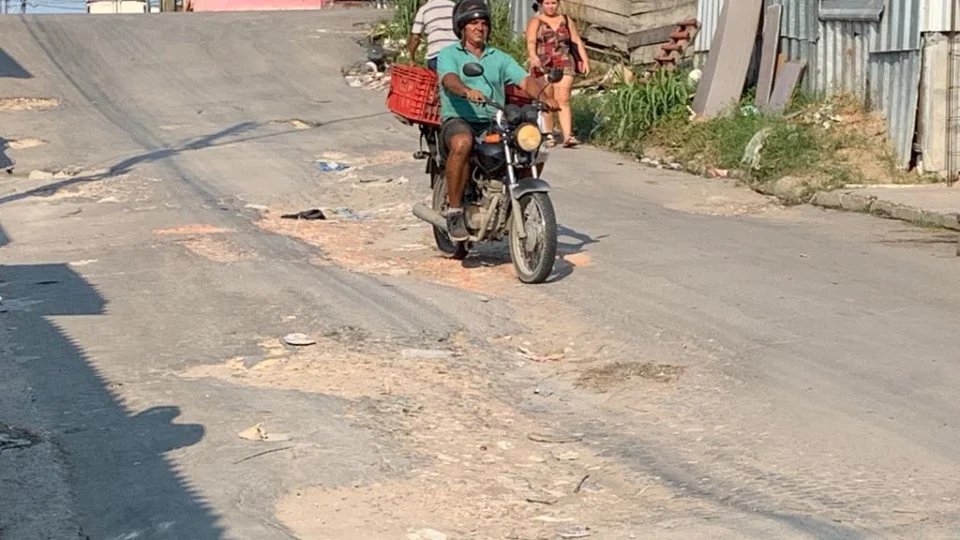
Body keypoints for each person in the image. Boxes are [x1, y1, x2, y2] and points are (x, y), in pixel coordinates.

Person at [525, 0, 589, 148]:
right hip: (543, 64)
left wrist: (584, 60)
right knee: (547, 100)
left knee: (563, 99)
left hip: (564, 62)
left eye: (554, 2)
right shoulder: (536, 21)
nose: (551, 6)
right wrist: (533, 57)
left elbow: (576, 41)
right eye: (547, 3)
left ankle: (568, 136)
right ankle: (548, 135)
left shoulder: (565, 20)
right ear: (541, 4)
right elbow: (531, 41)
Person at [408, 0, 458, 71]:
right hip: (456, 52)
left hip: (436, 53)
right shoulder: (454, 6)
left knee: (438, 80)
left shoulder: (424, 9)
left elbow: (415, 38)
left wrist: (411, 58)